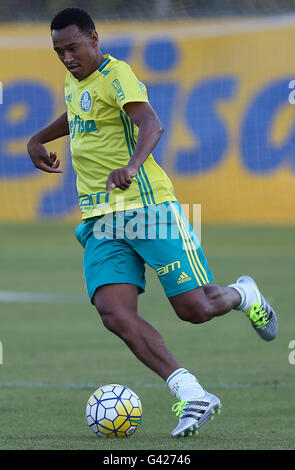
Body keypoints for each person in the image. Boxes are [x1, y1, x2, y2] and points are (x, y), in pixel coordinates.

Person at [27, 7, 278, 438]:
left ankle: (242, 293)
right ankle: (191, 392)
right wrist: (37, 139)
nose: (66, 58)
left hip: (146, 209)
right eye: (58, 51)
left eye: (72, 47)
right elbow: (81, 114)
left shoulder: (116, 73)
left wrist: (131, 165)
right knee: (113, 312)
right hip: (100, 219)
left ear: (93, 38)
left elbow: (151, 122)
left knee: (194, 310)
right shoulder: (77, 80)